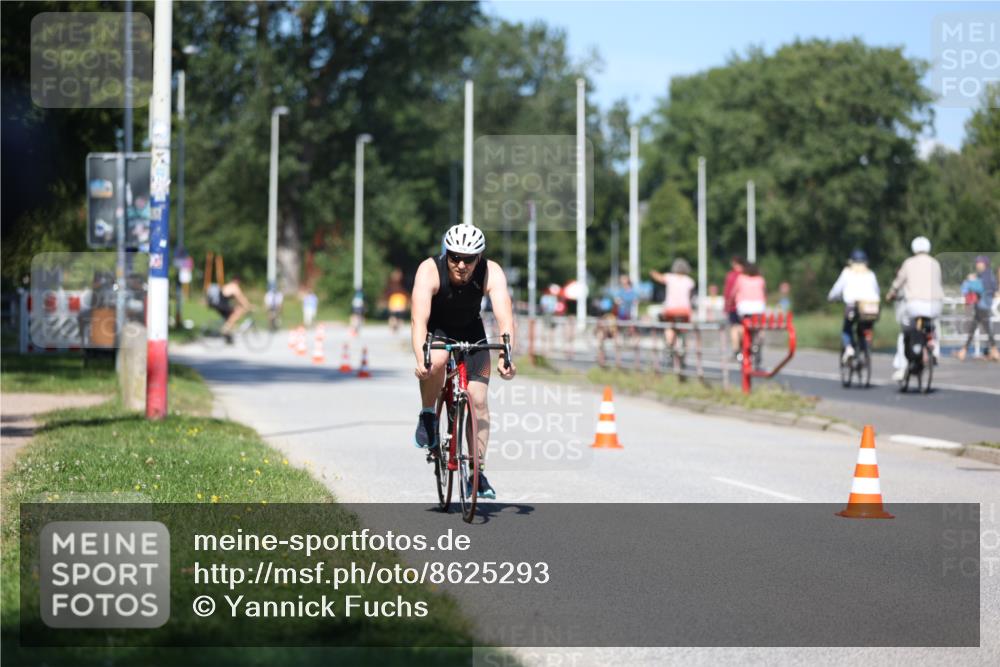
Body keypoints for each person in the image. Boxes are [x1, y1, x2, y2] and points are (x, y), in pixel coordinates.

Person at [411, 224, 517, 500]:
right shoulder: (429, 269)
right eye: (454, 257)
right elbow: (418, 319)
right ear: (446, 253)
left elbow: (505, 316)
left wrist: (507, 354)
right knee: (437, 359)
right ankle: (428, 415)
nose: (460, 265)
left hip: (472, 332)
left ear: (478, 258)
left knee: (478, 401)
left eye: (468, 259)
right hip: (438, 330)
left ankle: (477, 473)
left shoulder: (491, 272)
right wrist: (420, 357)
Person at [885, 236, 944, 381]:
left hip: (915, 305)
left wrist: (890, 293)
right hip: (934, 304)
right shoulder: (935, 263)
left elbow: (898, 282)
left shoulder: (909, 263)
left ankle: (902, 366)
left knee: (905, 333)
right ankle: (934, 350)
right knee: (933, 326)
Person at [827, 249, 880, 364]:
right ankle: (866, 345)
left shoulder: (847, 272)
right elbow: (877, 291)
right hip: (870, 308)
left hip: (853, 307)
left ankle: (849, 349)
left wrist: (831, 298)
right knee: (865, 327)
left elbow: (836, 290)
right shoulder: (870, 274)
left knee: (847, 329)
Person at [957, 255, 999, 361]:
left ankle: (994, 351)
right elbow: (993, 289)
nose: (977, 265)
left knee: (982, 328)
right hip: (983, 304)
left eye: (979, 263)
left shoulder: (984, 275)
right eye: (977, 263)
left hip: (982, 305)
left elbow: (979, 288)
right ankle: (965, 350)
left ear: (984, 264)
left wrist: (969, 281)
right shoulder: (988, 275)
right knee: (977, 327)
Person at [650, 258, 696, 352]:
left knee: (669, 326)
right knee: (684, 329)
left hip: (671, 309)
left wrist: (652, 272)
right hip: (685, 310)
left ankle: (669, 345)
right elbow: (691, 295)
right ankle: (683, 347)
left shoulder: (670, 277)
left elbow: (658, 277)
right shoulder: (689, 281)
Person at [209, 276, 252, 344]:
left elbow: (237, 299)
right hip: (221, 304)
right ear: (237, 281)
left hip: (220, 304)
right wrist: (248, 306)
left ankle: (228, 337)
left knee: (231, 315)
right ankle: (225, 330)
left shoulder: (229, 285)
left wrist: (243, 305)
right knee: (236, 313)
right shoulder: (234, 287)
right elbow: (241, 298)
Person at [723, 256, 745, 353]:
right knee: (744, 326)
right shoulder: (747, 274)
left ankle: (736, 349)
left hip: (733, 305)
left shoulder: (731, 275)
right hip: (746, 305)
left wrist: (726, 306)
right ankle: (745, 345)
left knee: (734, 327)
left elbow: (727, 292)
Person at [383, 268, 410, 334]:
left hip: (400, 299)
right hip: (395, 299)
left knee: (398, 316)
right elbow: (387, 291)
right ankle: (393, 329)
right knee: (394, 316)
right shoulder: (391, 282)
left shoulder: (403, 282)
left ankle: (396, 329)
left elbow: (406, 291)